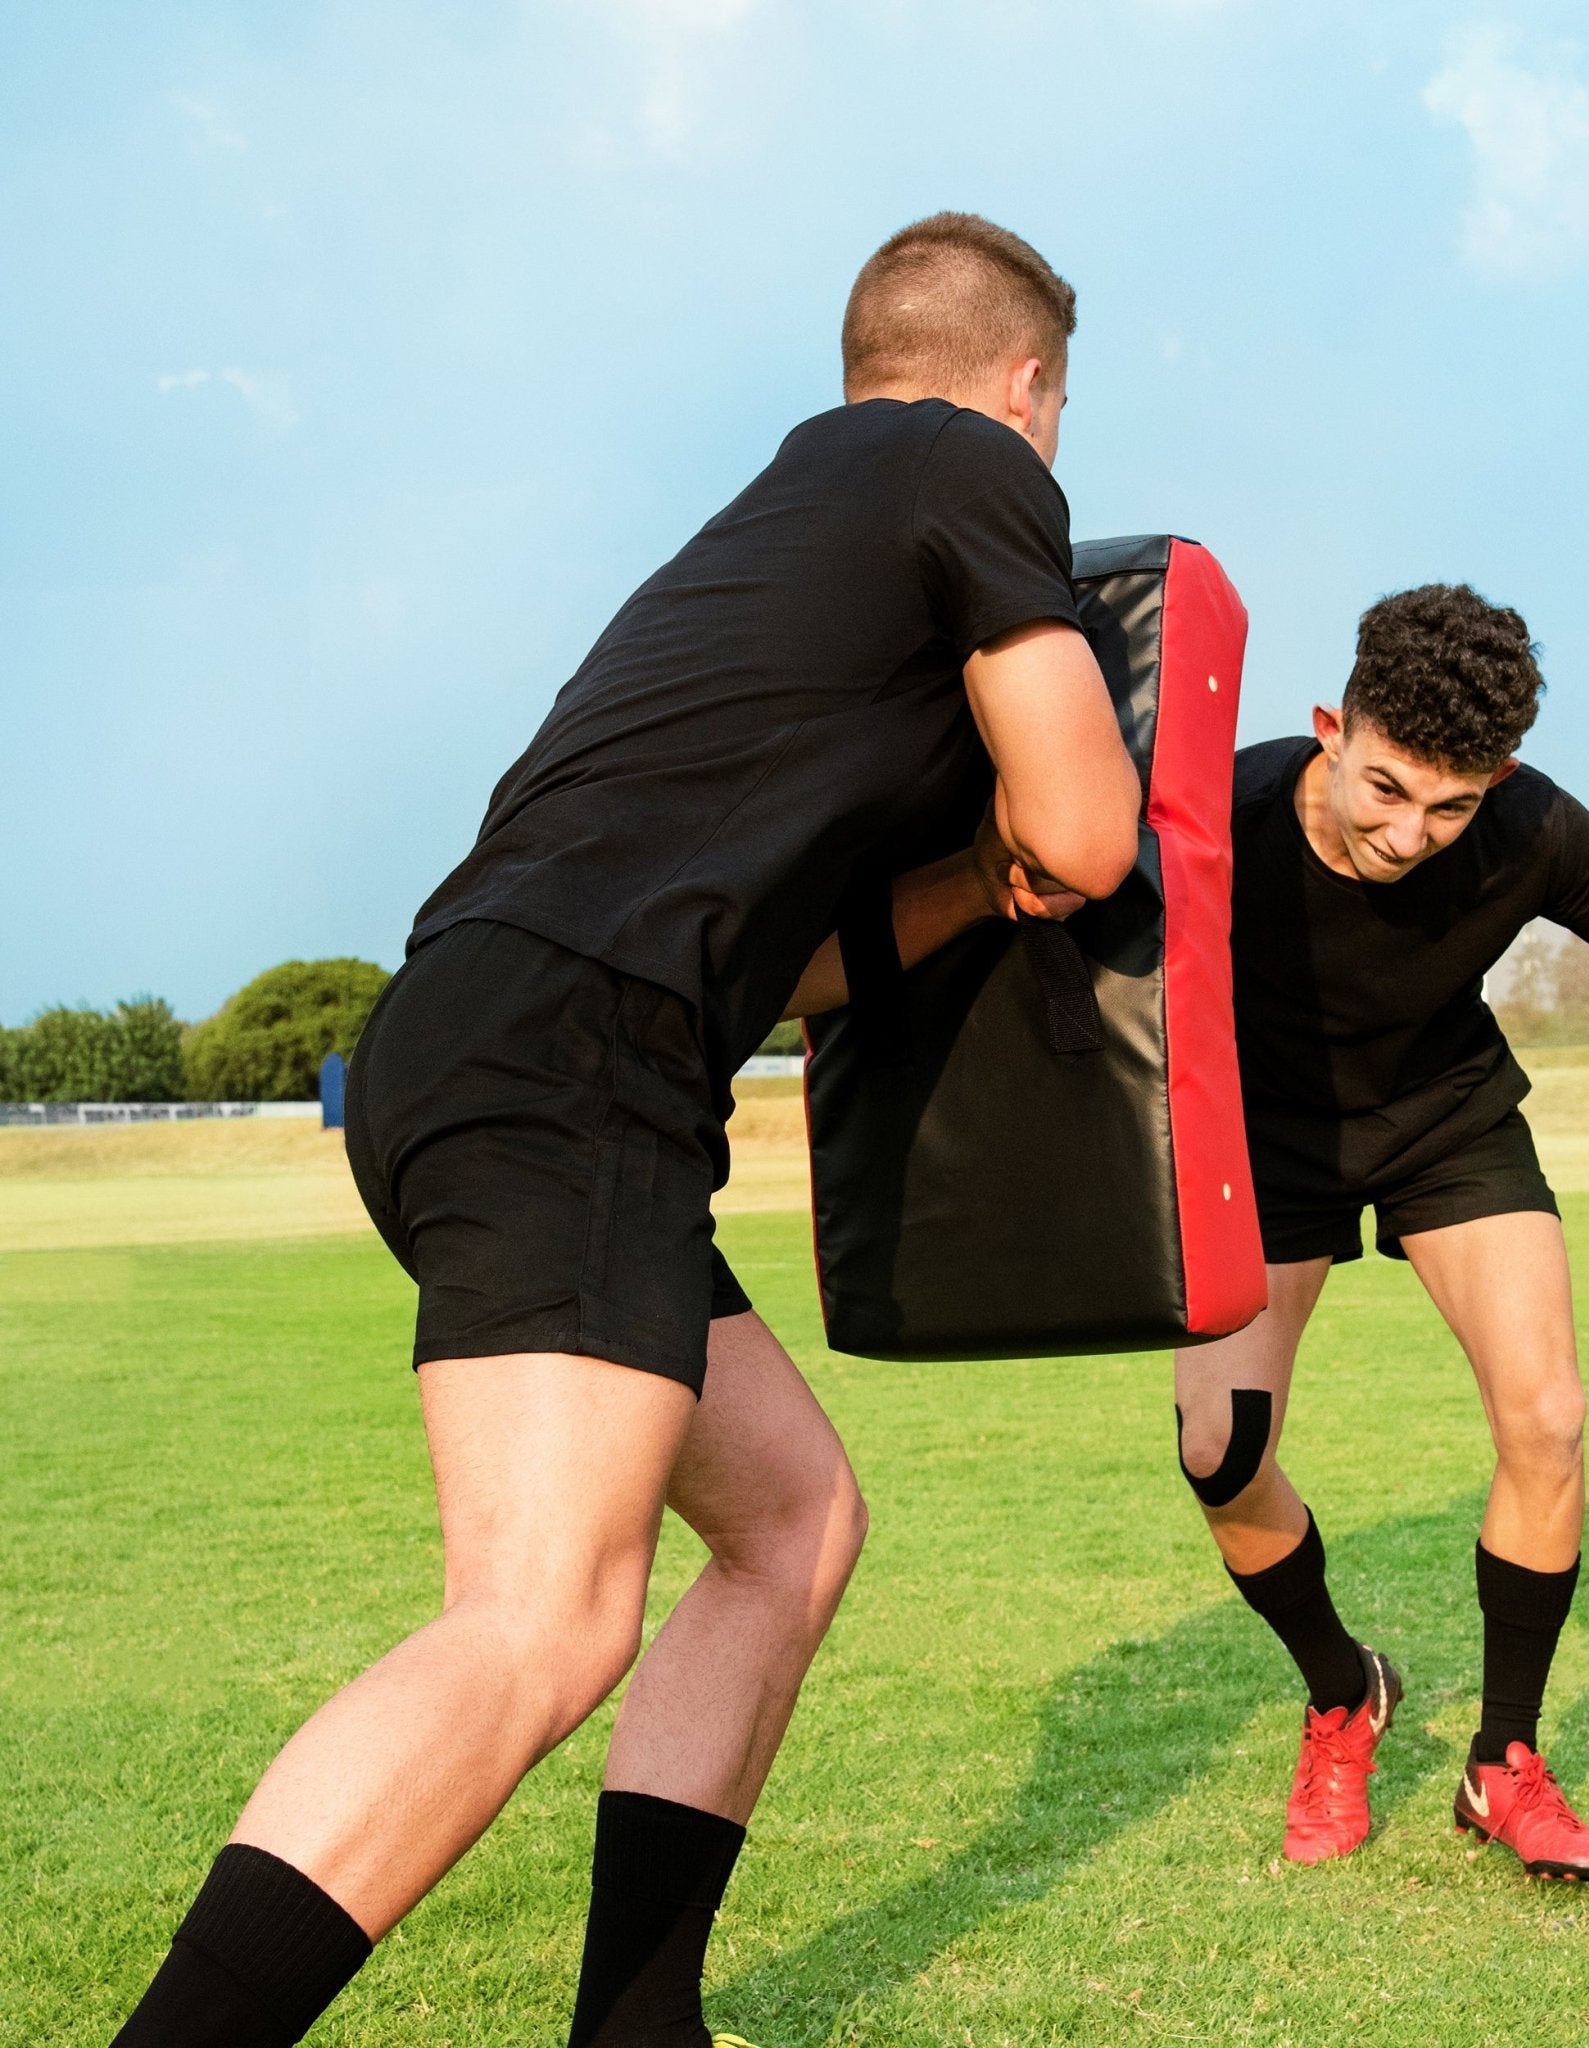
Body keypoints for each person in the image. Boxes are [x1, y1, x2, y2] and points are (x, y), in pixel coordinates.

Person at [109, 212, 1138, 2048]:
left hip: (492, 1040)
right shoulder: (975, 467)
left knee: (796, 1520)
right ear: (1028, 384)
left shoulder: (783, 530)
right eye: (1051, 414)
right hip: (573, 1064)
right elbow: (1091, 832)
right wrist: (1041, 832)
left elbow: (806, 971)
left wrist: (971, 879)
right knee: (537, 1618)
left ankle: (638, 2025)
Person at [1173, 583, 1589, 1883]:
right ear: (1328, 730)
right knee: (1220, 1454)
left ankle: (1500, 1765)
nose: (1414, 834)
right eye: (1387, 789)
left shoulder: (1525, 828)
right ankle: (1344, 1693)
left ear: (1500, 777)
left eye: (1451, 803)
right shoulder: (1217, 817)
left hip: (1443, 1117)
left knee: (1551, 1418)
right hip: (1266, 1142)